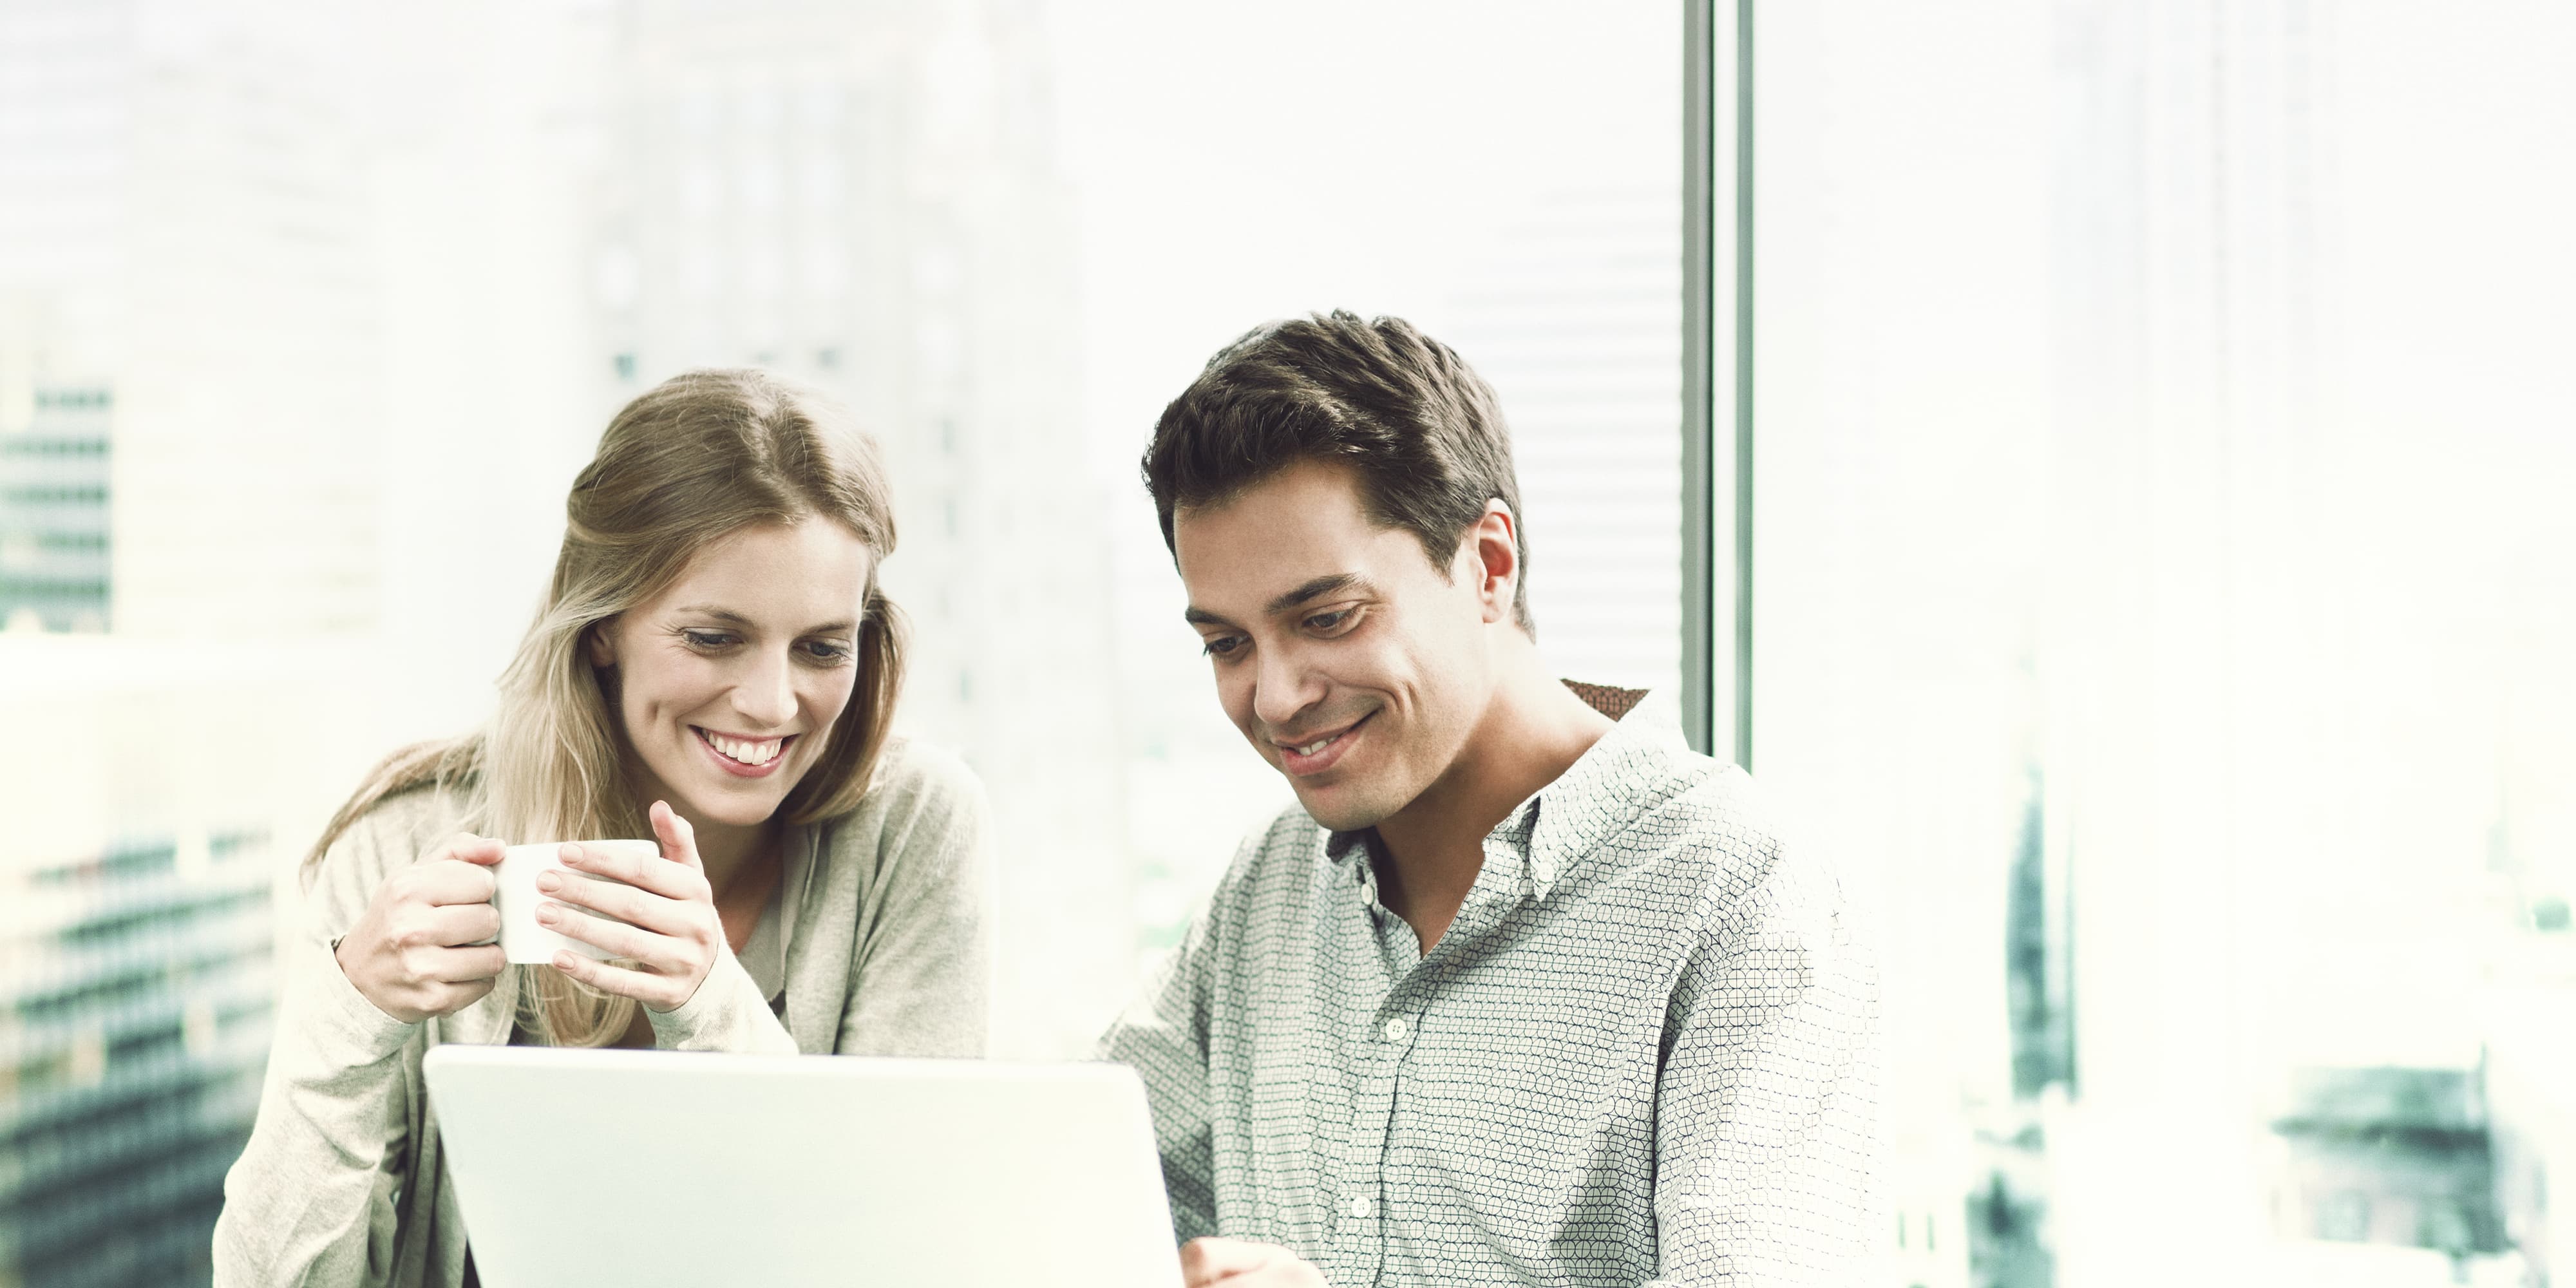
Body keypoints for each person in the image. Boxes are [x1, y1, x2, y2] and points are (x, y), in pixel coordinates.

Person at [1103, 313, 1880, 1286]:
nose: (1274, 696)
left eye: (1328, 618)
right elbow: (1071, 1198)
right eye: (1227, 644)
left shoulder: (1737, 897)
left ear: (1488, 565)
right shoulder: (1268, 885)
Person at [213, 369, 994, 1287]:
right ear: (602, 626)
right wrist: (354, 1016)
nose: (774, 701)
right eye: (713, 638)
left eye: (822, 647)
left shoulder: (913, 828)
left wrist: (713, 1008)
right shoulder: (403, 843)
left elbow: (898, 1260)